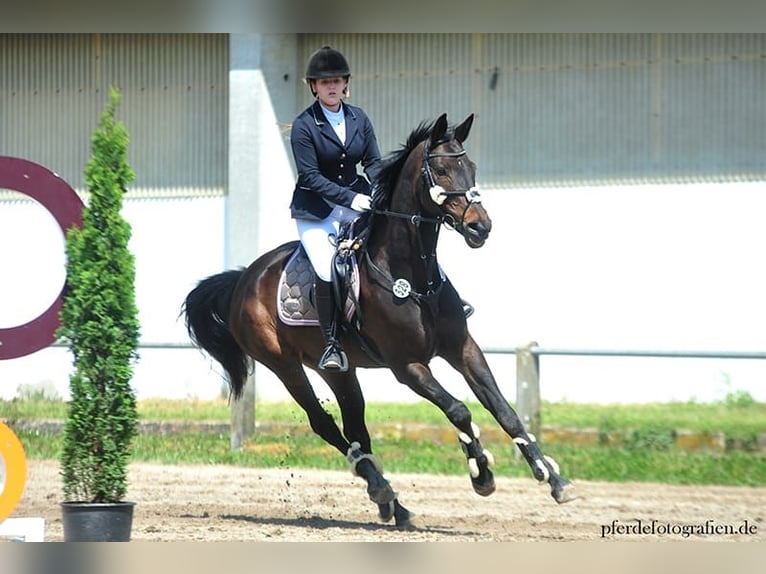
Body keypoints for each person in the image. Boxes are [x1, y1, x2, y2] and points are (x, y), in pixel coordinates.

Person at [289, 45, 382, 372]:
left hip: (357, 200)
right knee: (328, 267)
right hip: (316, 210)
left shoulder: (359, 117)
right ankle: (331, 345)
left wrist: (382, 190)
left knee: (399, 237)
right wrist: (350, 199)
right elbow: (311, 176)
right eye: (324, 81)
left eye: (337, 80)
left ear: (346, 83)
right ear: (313, 86)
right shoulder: (304, 125)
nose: (331, 86)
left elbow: (372, 162)